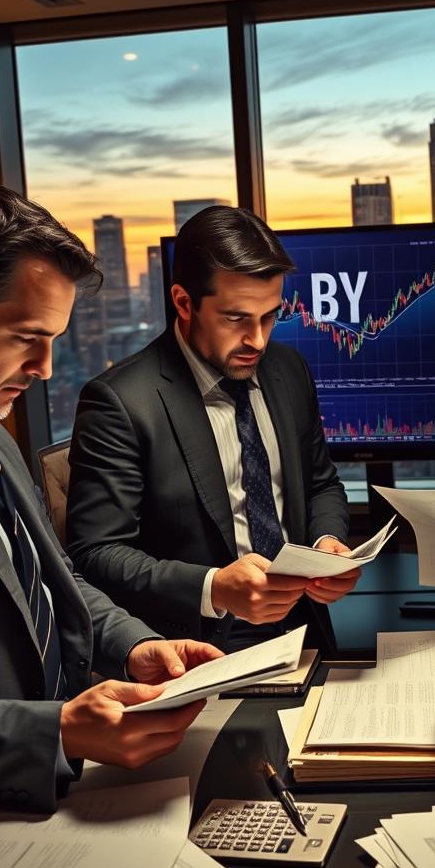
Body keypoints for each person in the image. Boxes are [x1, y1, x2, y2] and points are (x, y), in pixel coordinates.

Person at [0, 180, 224, 820]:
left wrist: (130, 646)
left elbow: (51, 579)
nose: (43, 366)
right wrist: (59, 732)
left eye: (56, 339)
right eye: (25, 337)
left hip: (55, 797)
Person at [66, 205, 357, 654]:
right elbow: (96, 554)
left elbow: (321, 483)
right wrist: (215, 587)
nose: (258, 340)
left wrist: (327, 542)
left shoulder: (288, 370)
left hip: (306, 628)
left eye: (270, 316)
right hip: (198, 645)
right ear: (184, 303)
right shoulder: (120, 401)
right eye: (237, 319)